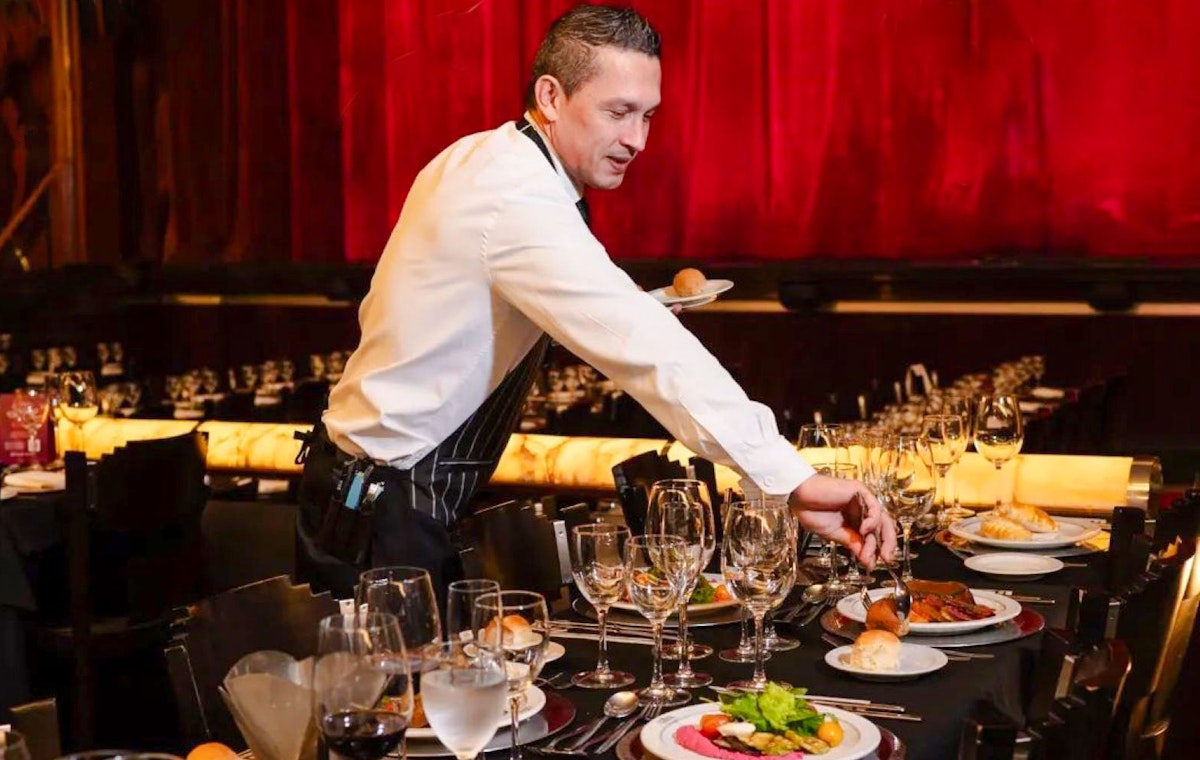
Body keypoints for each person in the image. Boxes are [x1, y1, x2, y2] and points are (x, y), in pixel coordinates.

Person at [296, 4, 896, 598]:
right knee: (399, 699)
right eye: (618, 113)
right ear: (552, 96)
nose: (636, 139)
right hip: (377, 509)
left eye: (648, 116)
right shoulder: (514, 195)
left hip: (380, 490)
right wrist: (792, 479)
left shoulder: (487, 157)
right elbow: (652, 354)